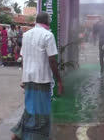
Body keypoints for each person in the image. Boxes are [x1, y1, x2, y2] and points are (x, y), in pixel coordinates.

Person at [11, 12, 64, 140]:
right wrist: (59, 81)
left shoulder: (26, 34)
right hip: (41, 78)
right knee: (42, 111)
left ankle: (18, 133)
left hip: (28, 78)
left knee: (30, 108)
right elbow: (52, 60)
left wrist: (23, 78)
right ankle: (35, 137)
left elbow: (23, 58)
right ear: (47, 21)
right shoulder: (48, 35)